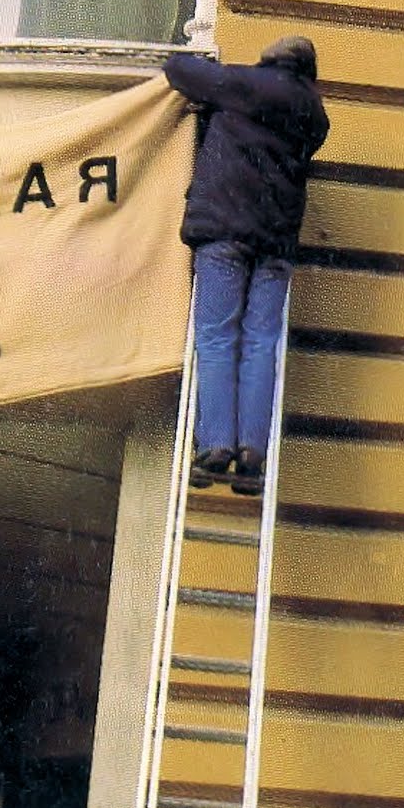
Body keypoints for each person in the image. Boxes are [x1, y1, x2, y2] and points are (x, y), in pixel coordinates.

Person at [164, 37, 329, 495]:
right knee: (261, 343)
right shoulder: (314, 116)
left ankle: (216, 444)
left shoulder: (246, 85)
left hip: (225, 233)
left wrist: (196, 54)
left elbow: (178, 70)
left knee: (217, 337)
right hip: (276, 245)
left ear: (269, 59)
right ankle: (252, 451)